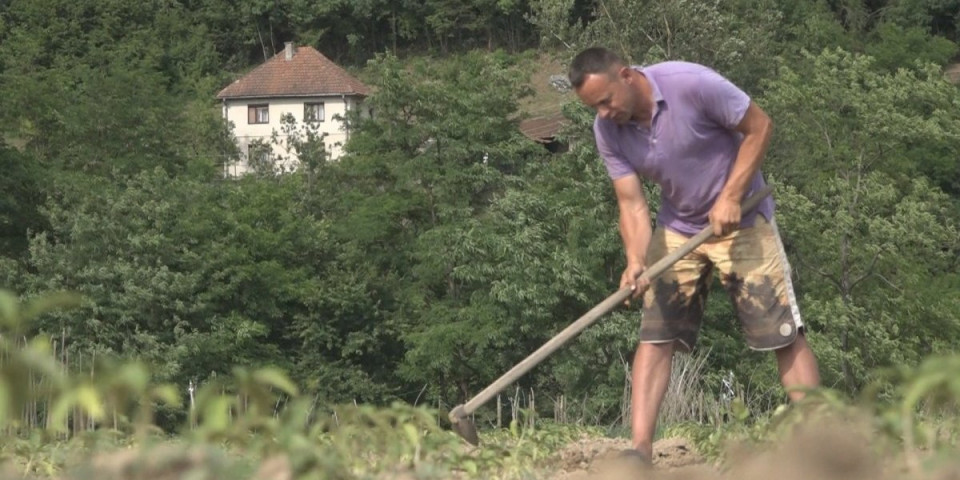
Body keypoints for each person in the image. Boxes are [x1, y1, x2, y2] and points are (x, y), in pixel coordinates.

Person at [568, 47, 821, 463]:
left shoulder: (691, 83)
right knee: (656, 333)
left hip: (745, 221)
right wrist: (636, 261)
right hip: (680, 227)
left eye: (606, 100)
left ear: (626, 76)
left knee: (781, 332)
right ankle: (640, 452)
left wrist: (731, 196)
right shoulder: (607, 130)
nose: (603, 112)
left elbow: (759, 127)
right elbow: (631, 204)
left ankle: (817, 439)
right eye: (594, 107)